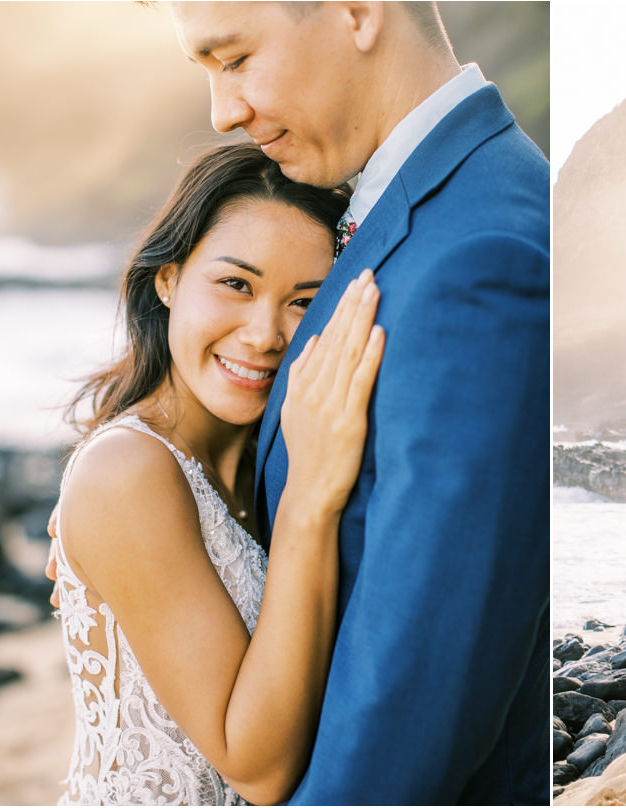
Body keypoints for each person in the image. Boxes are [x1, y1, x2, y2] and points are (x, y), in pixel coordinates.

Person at [168, 3, 549, 803]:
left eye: (233, 59)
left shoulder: (478, 260)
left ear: (355, 12)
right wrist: (158, 491)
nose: (222, 111)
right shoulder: (417, 207)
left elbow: (416, 694)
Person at [50, 143, 385, 805]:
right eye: (236, 284)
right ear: (168, 279)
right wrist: (311, 503)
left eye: (303, 302)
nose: (263, 334)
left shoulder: (265, 459)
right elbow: (256, 770)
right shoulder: (128, 470)